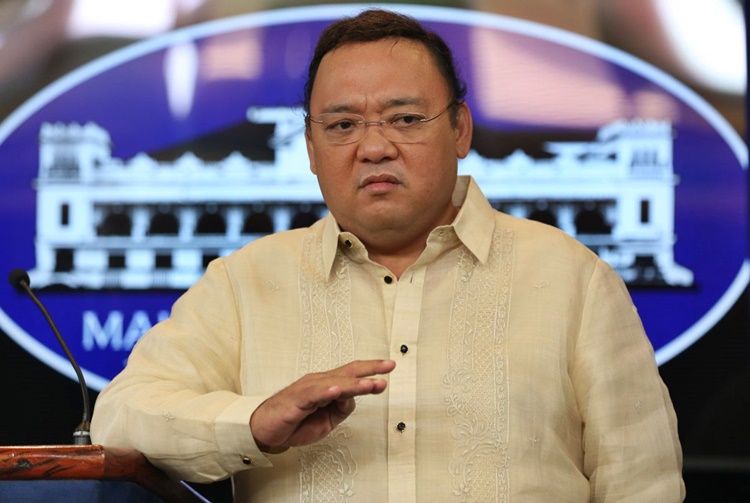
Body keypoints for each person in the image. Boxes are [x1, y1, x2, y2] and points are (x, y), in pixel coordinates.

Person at [91, 8, 685, 502]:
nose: (374, 147)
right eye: (342, 125)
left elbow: (644, 485)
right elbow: (119, 418)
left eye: (404, 119)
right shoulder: (245, 283)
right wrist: (254, 422)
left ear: (460, 129)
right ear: (310, 147)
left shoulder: (571, 278)